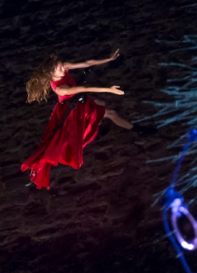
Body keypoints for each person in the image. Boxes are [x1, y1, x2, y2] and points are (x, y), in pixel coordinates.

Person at [22, 49, 135, 189]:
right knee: (109, 113)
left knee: (103, 106)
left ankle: (100, 125)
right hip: (74, 109)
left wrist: (108, 59)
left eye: (62, 65)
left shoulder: (62, 69)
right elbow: (84, 88)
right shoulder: (60, 89)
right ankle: (132, 129)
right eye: (60, 67)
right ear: (52, 74)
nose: (63, 67)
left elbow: (88, 63)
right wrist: (109, 89)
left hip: (80, 100)